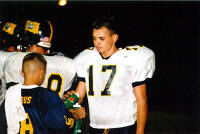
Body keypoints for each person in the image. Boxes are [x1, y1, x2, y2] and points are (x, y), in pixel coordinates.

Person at [72, 16, 155, 134]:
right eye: (94, 39)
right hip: (96, 126)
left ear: (114, 38)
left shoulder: (129, 59)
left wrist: (140, 131)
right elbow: (79, 94)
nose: (97, 43)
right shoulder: (87, 58)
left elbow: (142, 101)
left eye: (101, 38)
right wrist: (72, 101)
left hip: (124, 126)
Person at [5, 52, 84, 134]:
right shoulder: (48, 96)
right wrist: (75, 116)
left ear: (22, 72)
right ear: (41, 73)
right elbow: (60, 125)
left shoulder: (10, 93)